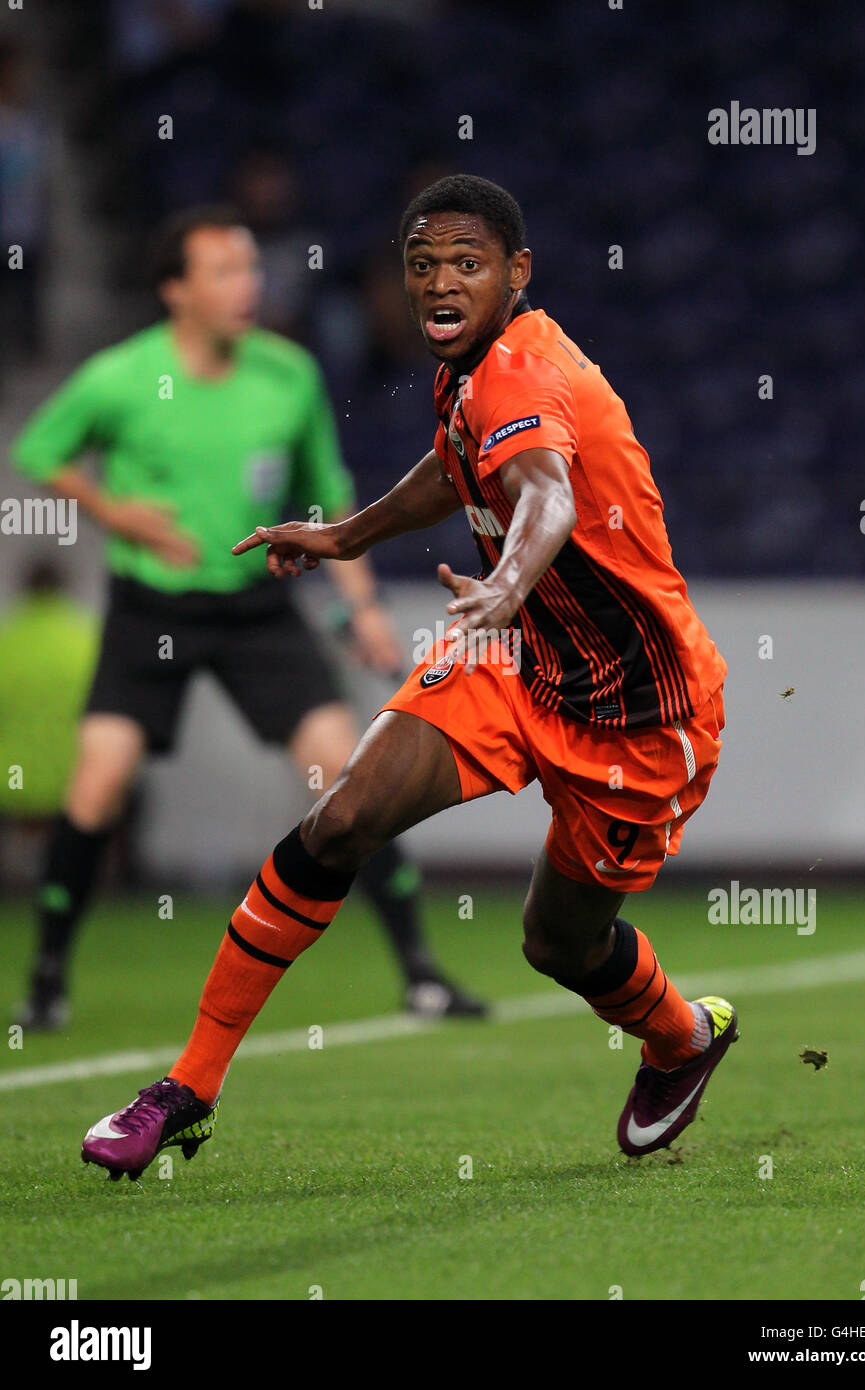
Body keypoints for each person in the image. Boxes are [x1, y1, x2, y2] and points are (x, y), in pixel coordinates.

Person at [81, 174, 734, 1181]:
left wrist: (509, 583)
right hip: (515, 663)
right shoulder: (467, 374)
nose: (439, 281)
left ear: (516, 274)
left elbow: (547, 499)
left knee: (558, 944)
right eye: (423, 264)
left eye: (467, 263)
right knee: (342, 816)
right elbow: (452, 467)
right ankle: (189, 1086)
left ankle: (683, 1036)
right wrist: (345, 533)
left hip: (641, 714)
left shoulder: (519, 371)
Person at [11, 204, 485, 1031]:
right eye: (224, 272)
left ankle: (422, 974)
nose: (247, 286)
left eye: (250, 270)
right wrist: (116, 512)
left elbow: (332, 500)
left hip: (259, 607)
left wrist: (362, 607)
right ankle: (47, 980)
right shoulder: (121, 376)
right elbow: (40, 454)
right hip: (149, 606)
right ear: (175, 290)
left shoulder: (287, 374)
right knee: (97, 783)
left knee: (351, 778)